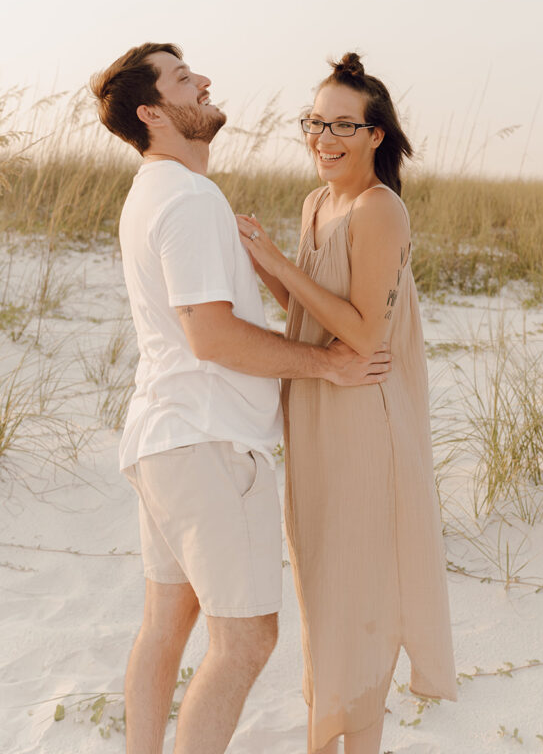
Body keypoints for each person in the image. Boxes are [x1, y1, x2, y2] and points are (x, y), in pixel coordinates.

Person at [89, 43, 391, 754]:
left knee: (166, 623)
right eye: (183, 78)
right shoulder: (188, 197)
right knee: (246, 639)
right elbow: (213, 337)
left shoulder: (152, 191)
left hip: (166, 438)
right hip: (208, 442)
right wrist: (328, 365)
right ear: (152, 112)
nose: (204, 82)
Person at [236, 52, 457, 754]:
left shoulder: (378, 208)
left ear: (375, 135)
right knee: (321, 583)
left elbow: (362, 335)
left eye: (340, 125)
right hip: (317, 409)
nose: (321, 137)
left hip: (363, 415)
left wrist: (274, 261)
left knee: (357, 589)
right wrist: (266, 268)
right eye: (313, 121)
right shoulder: (315, 203)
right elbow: (313, 317)